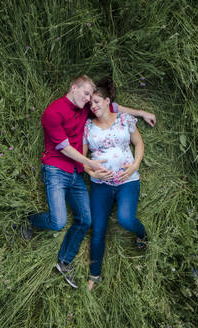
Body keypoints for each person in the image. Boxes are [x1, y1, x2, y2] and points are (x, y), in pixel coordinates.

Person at [24, 75, 155, 288]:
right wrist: (91, 168)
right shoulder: (55, 112)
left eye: (93, 99)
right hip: (60, 170)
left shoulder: (94, 110)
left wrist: (142, 113)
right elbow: (66, 148)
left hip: (88, 174)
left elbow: (116, 108)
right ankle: (29, 220)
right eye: (86, 95)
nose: (89, 101)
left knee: (89, 220)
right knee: (62, 222)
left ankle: (64, 262)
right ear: (73, 87)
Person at [82, 77, 149, 291]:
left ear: (107, 101)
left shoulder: (124, 119)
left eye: (96, 101)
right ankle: (94, 274)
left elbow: (138, 143)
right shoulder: (88, 126)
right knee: (98, 228)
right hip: (101, 184)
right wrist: (94, 173)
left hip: (128, 180)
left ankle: (143, 234)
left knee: (126, 219)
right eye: (90, 104)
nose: (93, 106)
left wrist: (135, 164)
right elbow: (83, 161)